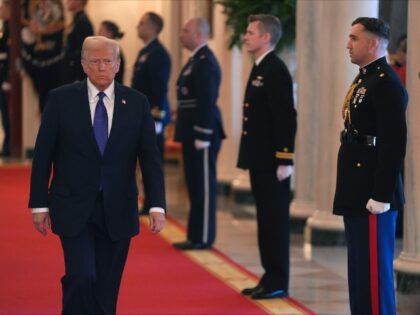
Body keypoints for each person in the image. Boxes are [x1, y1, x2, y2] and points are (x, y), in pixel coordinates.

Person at [29, 36, 166, 314]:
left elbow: (150, 159)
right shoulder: (60, 100)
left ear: (117, 65)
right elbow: (43, 155)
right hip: (72, 203)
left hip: (118, 206)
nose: (101, 67)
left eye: (107, 61)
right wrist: (39, 204)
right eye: (95, 61)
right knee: (81, 275)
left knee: (107, 285)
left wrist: (156, 204)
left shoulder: (137, 103)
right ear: (83, 64)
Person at [333, 17, 407, 315]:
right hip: (356, 184)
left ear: (373, 43)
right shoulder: (366, 77)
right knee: (360, 270)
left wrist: (381, 194)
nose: (348, 44)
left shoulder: (386, 83)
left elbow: (393, 144)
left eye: (354, 38)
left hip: (372, 191)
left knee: (374, 274)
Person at [237, 14, 296, 300]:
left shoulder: (275, 70)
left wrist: (285, 159)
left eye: (250, 32)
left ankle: (278, 279)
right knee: (265, 220)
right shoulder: (261, 67)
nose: (245, 36)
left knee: (274, 222)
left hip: (273, 163)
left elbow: (285, 118)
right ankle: (269, 275)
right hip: (260, 160)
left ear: (265, 37)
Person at [172, 17, 225, 250]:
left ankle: (203, 236)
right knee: (194, 185)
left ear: (199, 35)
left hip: (201, 133)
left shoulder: (206, 62)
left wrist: (203, 134)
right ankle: (195, 234)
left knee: (203, 187)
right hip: (191, 131)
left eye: (186, 30)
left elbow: (206, 101)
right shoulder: (195, 60)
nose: (181, 34)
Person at [132, 12, 171, 215]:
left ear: (153, 28)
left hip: (152, 117)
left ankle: (156, 203)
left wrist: (157, 117)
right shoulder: (145, 51)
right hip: (142, 116)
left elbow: (159, 88)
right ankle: (148, 200)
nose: (137, 26)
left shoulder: (158, 53)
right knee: (144, 160)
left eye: (142, 23)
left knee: (153, 162)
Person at [20, 0, 65, 112]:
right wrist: (31, 28)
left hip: (54, 62)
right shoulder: (30, 4)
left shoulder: (55, 5)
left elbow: (59, 24)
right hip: (36, 61)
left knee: (54, 101)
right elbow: (25, 21)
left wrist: (42, 29)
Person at [61, 0, 93, 84]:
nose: (66, 2)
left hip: (77, 75)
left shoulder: (83, 22)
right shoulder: (77, 20)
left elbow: (84, 52)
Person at [0, 0, 10, 156]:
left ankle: (9, 144)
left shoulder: (12, 28)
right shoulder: (6, 28)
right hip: (3, 77)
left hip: (7, 77)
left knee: (8, 112)